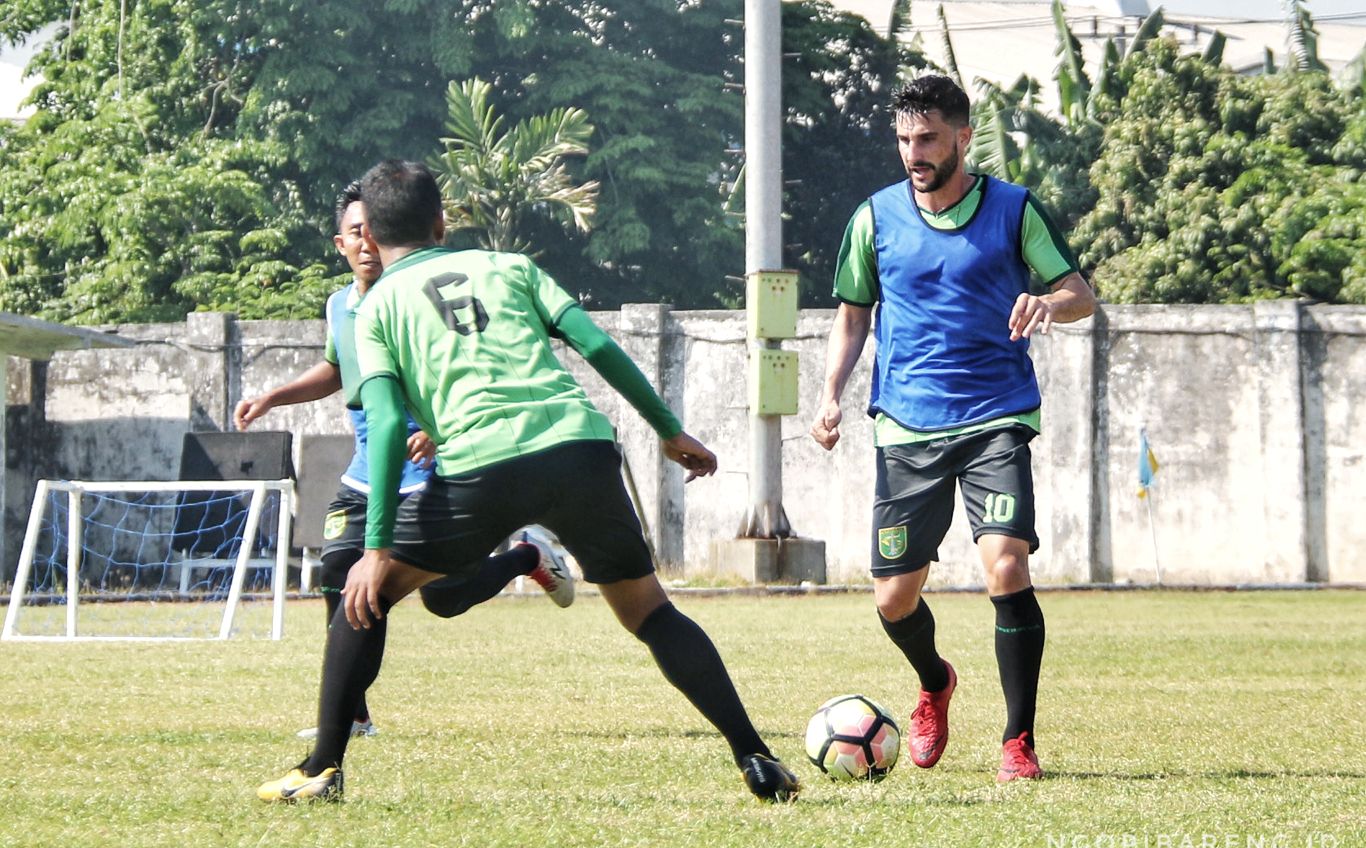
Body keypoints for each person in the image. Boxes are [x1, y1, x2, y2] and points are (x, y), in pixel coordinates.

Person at [256, 159, 800, 804]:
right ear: (441, 219)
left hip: (481, 466)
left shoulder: (375, 310)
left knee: (361, 596)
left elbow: (377, 416)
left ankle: (321, 768)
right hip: (580, 448)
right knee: (651, 612)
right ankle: (755, 757)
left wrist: (376, 550)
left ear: (367, 233)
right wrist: (667, 429)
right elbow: (595, 345)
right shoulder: (508, 267)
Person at [809, 75, 1096, 783]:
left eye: (929, 137)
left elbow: (1079, 293)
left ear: (964, 137)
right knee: (893, 597)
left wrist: (1046, 305)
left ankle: (1017, 742)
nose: (915, 151)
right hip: (906, 426)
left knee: (1006, 564)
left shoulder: (1013, 209)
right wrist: (830, 395)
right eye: (905, 138)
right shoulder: (873, 219)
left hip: (996, 415)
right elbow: (853, 315)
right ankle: (935, 682)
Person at [237, 180, 575, 740]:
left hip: (433, 474)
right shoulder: (340, 305)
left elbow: (470, 368)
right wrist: (275, 396)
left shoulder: (419, 295)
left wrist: (441, 435)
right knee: (338, 574)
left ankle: (524, 556)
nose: (367, 243)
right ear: (339, 243)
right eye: (355, 233)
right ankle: (354, 713)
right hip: (365, 475)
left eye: (375, 231)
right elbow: (337, 371)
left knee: (445, 598)